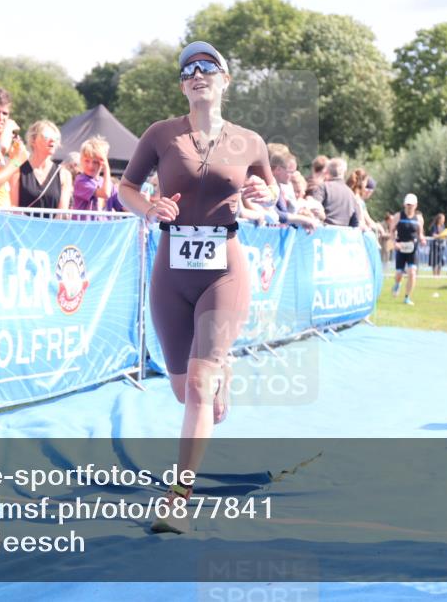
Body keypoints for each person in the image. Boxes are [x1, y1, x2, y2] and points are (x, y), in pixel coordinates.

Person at [116, 41, 275, 534]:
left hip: (223, 271)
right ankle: (219, 372)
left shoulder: (250, 142)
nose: (197, 74)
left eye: (207, 67)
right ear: (183, 85)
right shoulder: (161, 135)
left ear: (225, 80)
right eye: (188, 70)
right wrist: (149, 208)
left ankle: (177, 499)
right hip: (170, 271)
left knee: (200, 388)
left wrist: (262, 195)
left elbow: (267, 195)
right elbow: (124, 188)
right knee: (186, 390)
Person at [9, 120, 63, 211]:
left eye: (56, 138)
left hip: (52, 225)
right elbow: (13, 208)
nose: (52, 140)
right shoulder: (18, 170)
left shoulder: (64, 174)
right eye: (46, 136)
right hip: (23, 224)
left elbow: (62, 214)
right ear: (33, 140)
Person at [389, 193, 426, 305]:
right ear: (404, 204)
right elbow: (391, 232)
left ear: (416, 205)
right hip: (400, 247)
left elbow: (420, 233)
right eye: (407, 204)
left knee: (412, 272)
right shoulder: (398, 216)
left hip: (412, 248)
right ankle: (397, 284)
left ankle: (407, 297)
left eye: (411, 205)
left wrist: (422, 239)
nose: (409, 207)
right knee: (399, 273)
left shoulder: (419, 218)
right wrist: (394, 243)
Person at [269, 152, 317, 232]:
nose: (293, 175)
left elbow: (282, 214)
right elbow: (275, 214)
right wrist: (302, 219)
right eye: (290, 172)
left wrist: (300, 219)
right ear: (278, 169)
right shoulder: (268, 185)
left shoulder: (278, 186)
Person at [310, 158, 358, 227]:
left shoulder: (323, 187)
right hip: (342, 234)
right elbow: (356, 222)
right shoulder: (351, 194)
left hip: (323, 232)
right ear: (344, 172)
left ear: (328, 171)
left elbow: (314, 208)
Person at [72, 135, 112, 211]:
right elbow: (105, 193)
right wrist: (106, 168)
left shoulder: (107, 183)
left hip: (102, 222)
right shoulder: (80, 180)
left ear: (102, 162)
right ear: (81, 160)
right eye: (87, 161)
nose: (91, 166)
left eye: (95, 162)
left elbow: (124, 205)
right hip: (84, 223)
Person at [428, 212, 447, 276]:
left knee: (440, 260)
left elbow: (444, 234)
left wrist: (445, 236)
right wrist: (440, 236)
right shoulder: (434, 226)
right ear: (439, 219)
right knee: (434, 261)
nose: (444, 220)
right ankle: (434, 275)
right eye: (442, 219)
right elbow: (434, 235)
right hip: (434, 246)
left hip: (441, 246)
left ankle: (439, 275)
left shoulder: (443, 226)